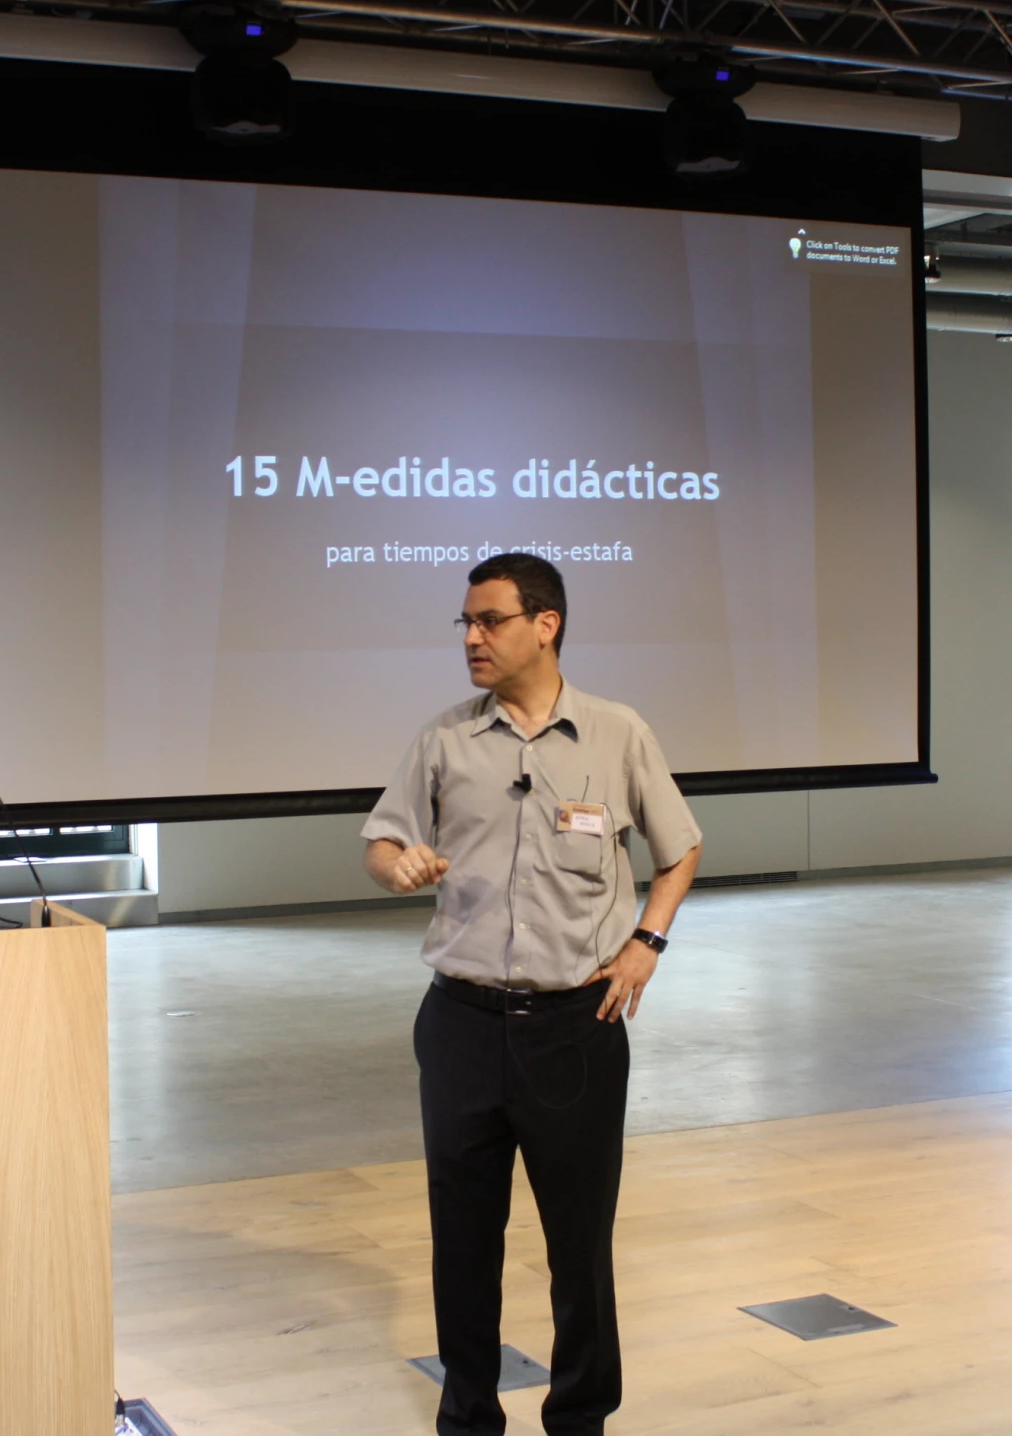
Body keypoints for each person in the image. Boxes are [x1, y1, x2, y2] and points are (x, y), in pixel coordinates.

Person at [363, 552, 702, 1436]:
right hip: (462, 1024)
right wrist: (396, 862)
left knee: (579, 1246)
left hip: (575, 1027)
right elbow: (383, 841)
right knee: (462, 1243)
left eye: (490, 621)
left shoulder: (618, 733)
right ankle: (468, 1418)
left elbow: (679, 849)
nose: (471, 639)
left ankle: (580, 1416)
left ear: (544, 624)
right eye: (465, 625)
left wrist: (645, 944)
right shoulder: (443, 739)